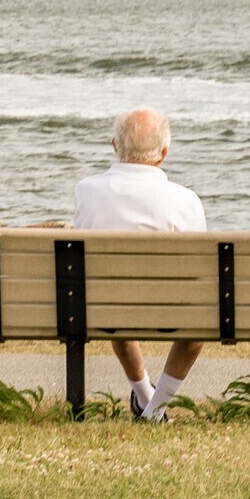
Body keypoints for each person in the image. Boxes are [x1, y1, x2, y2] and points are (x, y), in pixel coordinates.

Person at [71, 108, 207, 422]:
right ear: (163, 153)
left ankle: (147, 401)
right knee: (197, 327)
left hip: (99, 307)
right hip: (172, 309)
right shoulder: (186, 200)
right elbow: (200, 272)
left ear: (115, 146)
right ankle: (154, 408)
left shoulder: (86, 191)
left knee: (114, 295)